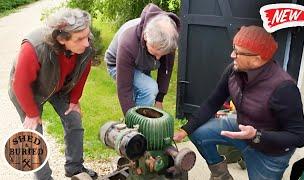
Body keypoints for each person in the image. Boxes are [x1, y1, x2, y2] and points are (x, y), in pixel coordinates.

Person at [173, 26, 304, 180]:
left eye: (237, 52)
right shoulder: (233, 71)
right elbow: (212, 103)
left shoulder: (284, 88)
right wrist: (185, 129)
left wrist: (256, 135)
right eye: (233, 49)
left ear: (257, 59)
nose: (232, 55)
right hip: (242, 129)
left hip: (269, 153)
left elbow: (298, 137)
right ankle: (221, 175)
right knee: (197, 132)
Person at [8, 8, 97, 180]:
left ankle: (75, 168)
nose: (87, 43)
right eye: (80, 39)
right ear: (61, 39)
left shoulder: (85, 44)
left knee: (74, 120)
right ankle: (43, 177)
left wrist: (74, 100)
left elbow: (84, 70)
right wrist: (32, 113)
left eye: (87, 36)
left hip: (58, 85)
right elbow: (20, 84)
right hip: (28, 90)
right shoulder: (34, 47)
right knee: (34, 135)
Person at [104, 3, 180, 114]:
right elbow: (124, 89)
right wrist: (130, 118)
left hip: (141, 64)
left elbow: (165, 69)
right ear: (145, 37)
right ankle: (138, 125)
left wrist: (159, 100)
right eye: (155, 53)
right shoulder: (128, 42)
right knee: (149, 89)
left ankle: (140, 123)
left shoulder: (168, 38)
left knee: (145, 96)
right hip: (116, 64)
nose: (158, 58)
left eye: (162, 54)